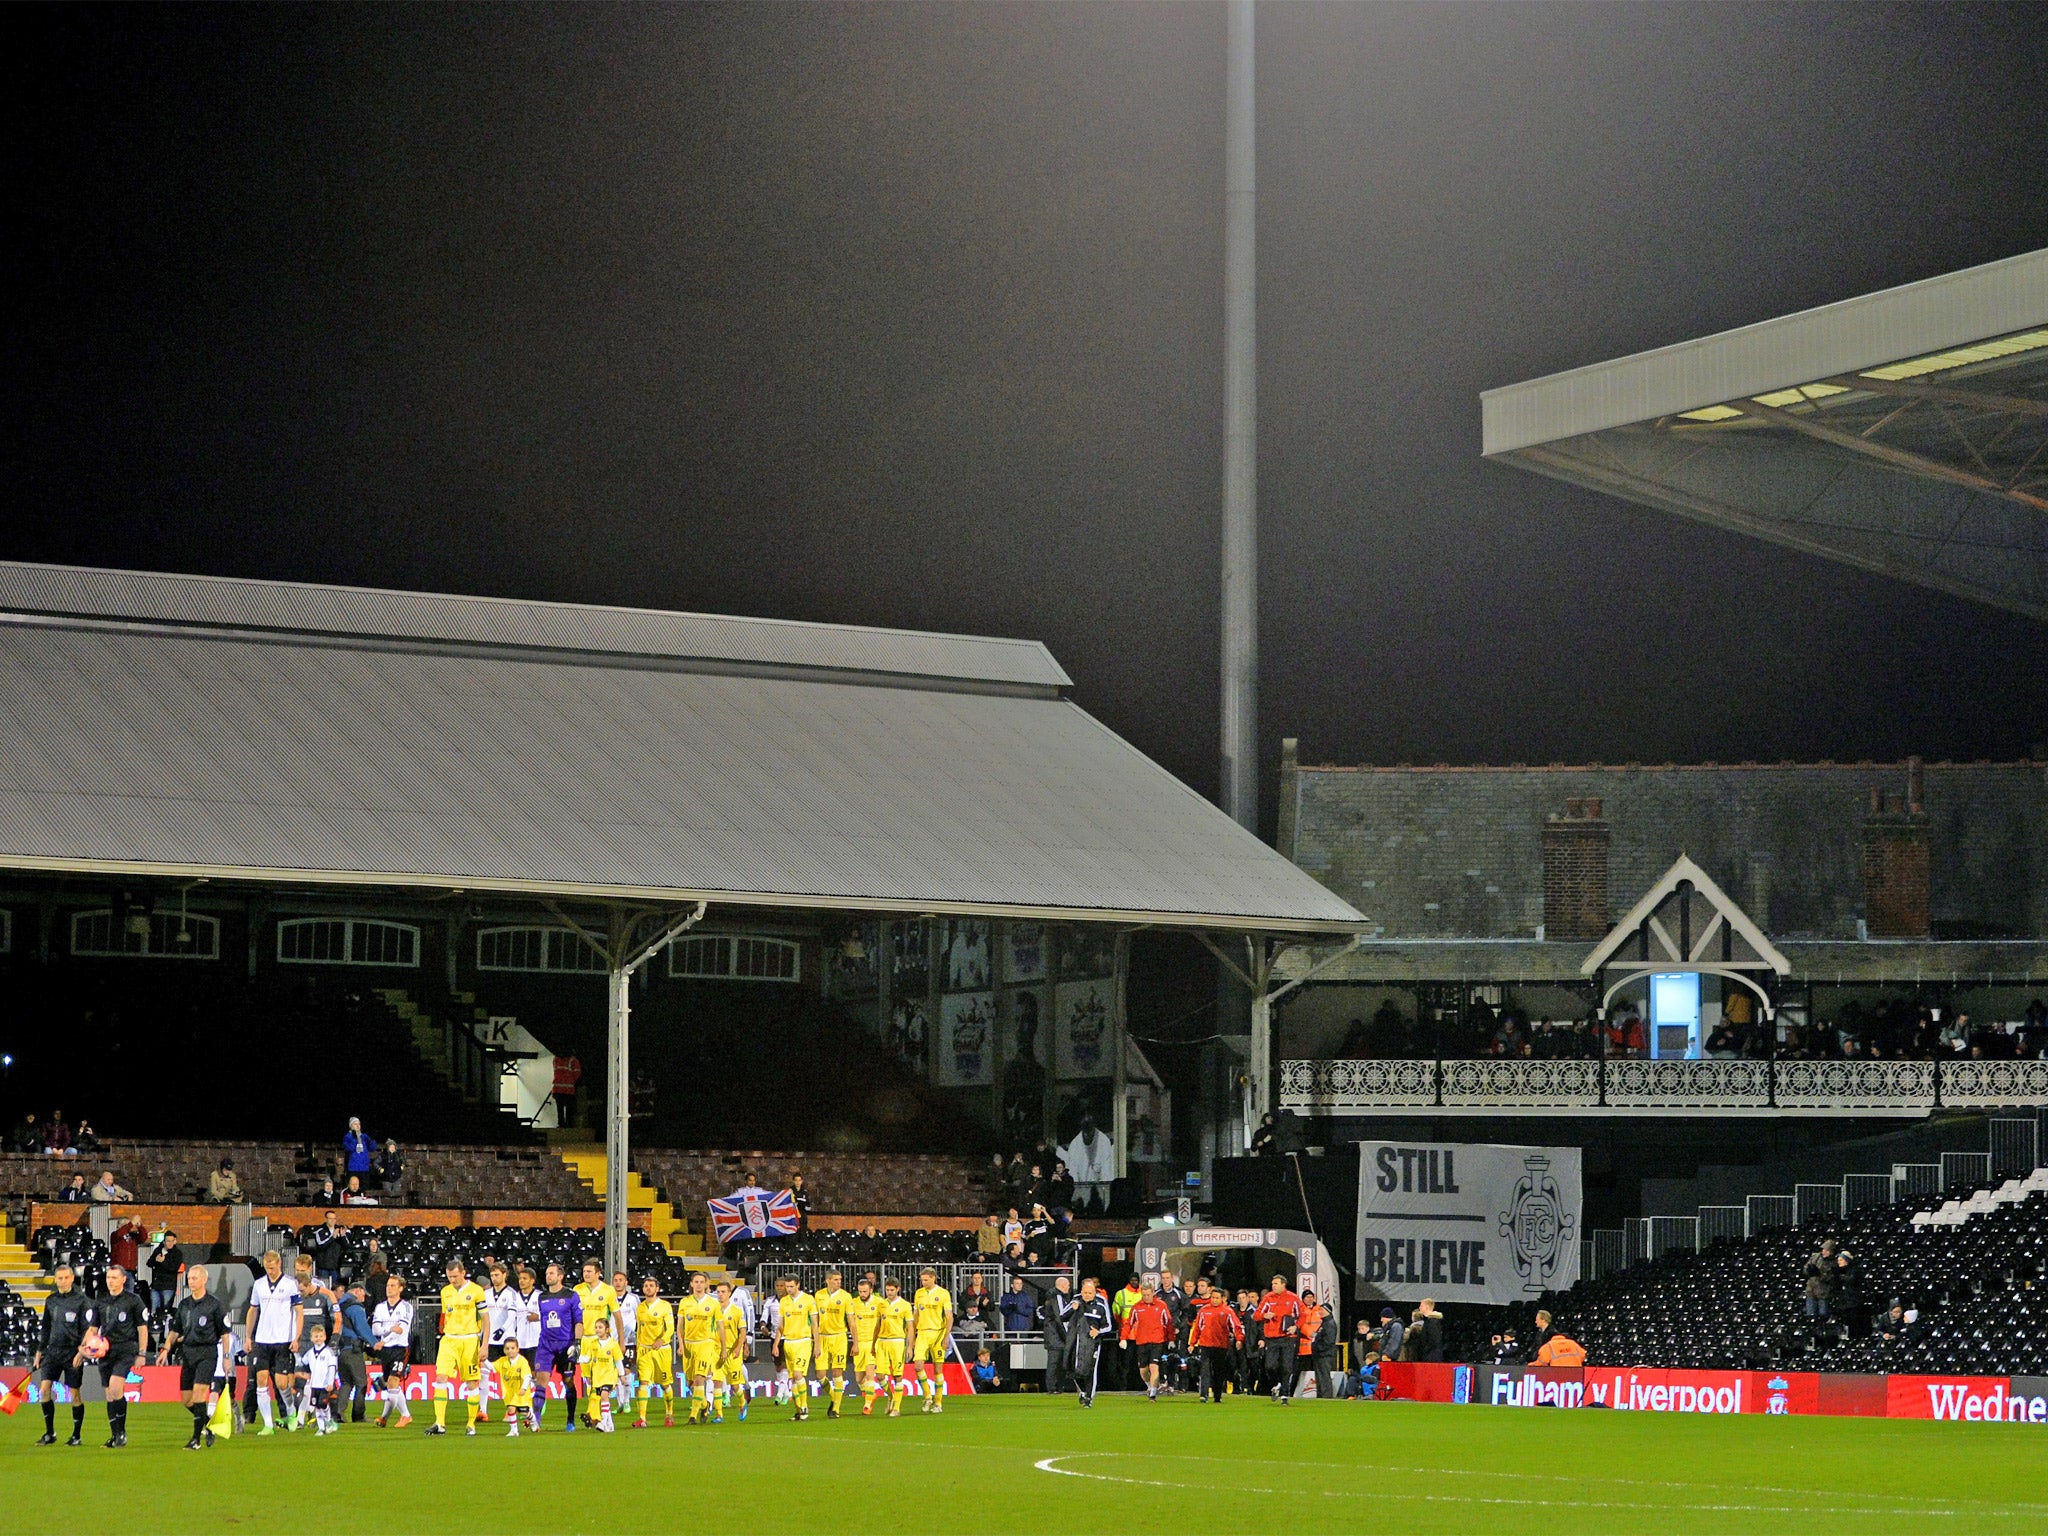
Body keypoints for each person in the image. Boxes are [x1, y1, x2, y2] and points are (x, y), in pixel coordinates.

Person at [159, 1263, 230, 1449]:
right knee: (186, 1400)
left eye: (194, 1278)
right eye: (189, 1278)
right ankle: (207, 1423)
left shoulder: (214, 1305)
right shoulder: (184, 1305)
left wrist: (227, 1356)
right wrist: (165, 1349)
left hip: (207, 1353)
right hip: (188, 1353)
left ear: (204, 1280)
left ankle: (196, 1439)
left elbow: (225, 1332)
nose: (191, 1281)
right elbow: (175, 1331)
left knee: (199, 1395)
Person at [85, 1263, 148, 1447]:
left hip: (125, 1349)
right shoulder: (101, 1301)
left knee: (115, 1387)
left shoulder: (133, 1300)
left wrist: (142, 1353)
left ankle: (121, 1433)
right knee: (110, 1395)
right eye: (108, 1278)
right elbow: (93, 1328)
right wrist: (86, 1347)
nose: (110, 1281)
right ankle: (115, 1435)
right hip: (105, 1351)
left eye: (114, 1278)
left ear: (123, 1279)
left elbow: (142, 1329)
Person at [245, 1249, 303, 1436]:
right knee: (261, 1380)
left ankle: (291, 1412)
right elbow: (253, 1310)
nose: (270, 1271)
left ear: (279, 1264)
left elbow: (299, 1312)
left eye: (272, 1267)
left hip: (282, 1340)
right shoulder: (258, 1285)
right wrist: (248, 1337)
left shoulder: (290, 1284)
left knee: (281, 1383)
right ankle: (268, 1425)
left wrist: (296, 1337)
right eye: (267, 1268)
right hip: (262, 1340)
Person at [31, 1264, 90, 1446]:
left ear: (72, 1278)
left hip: (72, 1353)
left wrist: (82, 1351)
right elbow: (46, 1328)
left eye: (66, 1278)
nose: (63, 1281)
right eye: (59, 1278)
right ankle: (50, 1433)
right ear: (55, 1280)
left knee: (74, 1394)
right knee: (44, 1390)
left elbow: (88, 1329)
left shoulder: (82, 1301)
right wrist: (40, 1351)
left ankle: (76, 1435)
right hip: (52, 1352)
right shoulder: (51, 1301)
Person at [429, 1258, 487, 1436]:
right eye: (449, 1277)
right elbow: (446, 1316)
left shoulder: (476, 1291)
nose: (452, 1280)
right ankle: (439, 1423)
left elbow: (486, 1319)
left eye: (455, 1276)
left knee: (471, 1382)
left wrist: (484, 1345)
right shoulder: (445, 1291)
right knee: (440, 1378)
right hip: (449, 1339)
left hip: (469, 1340)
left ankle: (471, 1424)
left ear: (463, 1273)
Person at [530, 1263, 581, 1431]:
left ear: (560, 1276)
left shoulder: (571, 1296)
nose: (548, 1276)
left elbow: (578, 1322)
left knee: (568, 1381)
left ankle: (570, 1420)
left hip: (565, 1345)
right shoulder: (541, 1297)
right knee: (541, 1380)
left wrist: (577, 1343)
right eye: (546, 1273)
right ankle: (536, 1421)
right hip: (545, 1344)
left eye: (551, 1273)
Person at [289, 1253, 336, 1431]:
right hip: (301, 1342)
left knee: (317, 1384)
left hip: (317, 1342)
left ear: (310, 1270)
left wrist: (331, 1340)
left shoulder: (321, 1288)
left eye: (303, 1270)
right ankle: (302, 1417)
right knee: (301, 1382)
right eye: (297, 1270)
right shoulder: (292, 1287)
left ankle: (321, 1417)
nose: (299, 1273)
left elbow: (331, 1313)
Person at [631, 1274, 677, 1428]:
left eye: (651, 1286)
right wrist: (638, 1347)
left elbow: (670, 1327)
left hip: (661, 1351)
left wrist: (662, 1340)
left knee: (665, 1384)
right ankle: (642, 1418)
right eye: (646, 1286)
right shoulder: (640, 1307)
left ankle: (669, 1414)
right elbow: (639, 1330)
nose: (648, 1288)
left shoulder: (665, 1306)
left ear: (657, 1289)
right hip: (645, 1350)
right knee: (643, 1383)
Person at [371, 1274, 417, 1428]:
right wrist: (389, 1329)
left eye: (392, 1286)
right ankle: (400, 1416)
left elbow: (401, 1329)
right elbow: (376, 1329)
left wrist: (384, 1339)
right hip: (385, 1351)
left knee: (393, 1382)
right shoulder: (380, 1307)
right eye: (388, 1285)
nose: (388, 1288)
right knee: (392, 1386)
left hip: (399, 1349)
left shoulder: (406, 1307)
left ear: (400, 1288)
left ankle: (393, 1417)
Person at [1252, 1273, 1302, 1404]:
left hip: (1287, 1337)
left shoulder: (1293, 1298)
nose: (1273, 1286)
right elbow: (1256, 1315)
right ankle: (1277, 1384)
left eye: (1275, 1283)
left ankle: (1285, 1395)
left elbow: (1302, 1315)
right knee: (1270, 1366)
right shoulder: (1268, 1298)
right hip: (1272, 1338)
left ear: (1283, 1285)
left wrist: (1295, 1327)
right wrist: (1265, 1315)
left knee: (1286, 1366)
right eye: (1272, 1283)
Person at [676, 1273, 718, 1425]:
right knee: (691, 1383)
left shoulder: (713, 1303)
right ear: (692, 1284)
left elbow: (719, 1327)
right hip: (688, 1344)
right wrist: (681, 1345)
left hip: (705, 1344)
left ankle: (692, 1416)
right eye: (696, 1282)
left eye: (701, 1282)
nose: (699, 1284)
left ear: (706, 1284)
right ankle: (705, 1405)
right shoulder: (684, 1302)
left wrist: (722, 1348)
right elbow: (680, 1327)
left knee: (700, 1378)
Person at [811, 1269, 853, 1419]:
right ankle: (835, 1397)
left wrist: (855, 1342)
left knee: (837, 1372)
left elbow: (851, 1322)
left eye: (840, 1279)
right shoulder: (818, 1295)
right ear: (827, 1280)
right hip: (822, 1338)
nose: (838, 1282)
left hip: (839, 1337)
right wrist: (815, 1342)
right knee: (820, 1375)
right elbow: (814, 1321)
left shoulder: (846, 1297)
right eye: (835, 1279)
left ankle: (836, 1408)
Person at [1190, 1280, 1242, 1402]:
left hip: (1221, 1346)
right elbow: (1197, 1327)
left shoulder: (1227, 1311)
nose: (1214, 1300)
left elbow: (1236, 1326)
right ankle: (1204, 1394)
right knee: (1204, 1370)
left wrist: (1239, 1339)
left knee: (1219, 1371)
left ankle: (1217, 1395)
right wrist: (1192, 1343)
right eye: (1212, 1297)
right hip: (1205, 1344)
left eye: (1217, 1298)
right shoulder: (1203, 1310)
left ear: (1223, 1298)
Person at [911, 1266, 953, 1414]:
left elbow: (949, 1317)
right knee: (918, 1366)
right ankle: (928, 1396)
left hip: (938, 1334)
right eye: (922, 1280)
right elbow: (915, 1315)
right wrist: (913, 1335)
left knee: (937, 1368)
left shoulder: (943, 1294)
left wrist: (946, 1336)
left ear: (933, 1278)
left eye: (926, 1280)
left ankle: (938, 1402)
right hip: (922, 1333)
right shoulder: (919, 1294)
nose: (923, 1282)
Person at [775, 1274, 817, 1421]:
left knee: (798, 1374)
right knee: (793, 1378)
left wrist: (817, 1344)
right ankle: (798, 1410)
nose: (789, 1289)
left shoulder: (808, 1300)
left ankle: (804, 1405)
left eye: (791, 1286)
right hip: (789, 1342)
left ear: (798, 1285)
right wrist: (776, 1343)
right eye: (787, 1286)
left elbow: (815, 1324)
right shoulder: (784, 1302)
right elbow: (780, 1326)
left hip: (804, 1341)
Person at [1069, 1276, 1115, 1407]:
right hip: (1076, 1340)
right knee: (1072, 1368)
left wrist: (1098, 1331)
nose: (1087, 1294)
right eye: (1085, 1291)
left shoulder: (1101, 1302)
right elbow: (1064, 1316)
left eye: (1090, 1292)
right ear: (1082, 1290)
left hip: (1092, 1342)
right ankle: (1083, 1392)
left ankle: (1089, 1397)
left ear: (1095, 1291)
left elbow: (1108, 1325)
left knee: (1090, 1369)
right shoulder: (1076, 1300)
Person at [335, 1278, 375, 1424]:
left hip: (340, 1349)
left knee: (346, 1382)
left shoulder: (339, 1305)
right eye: (363, 1294)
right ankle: (358, 1415)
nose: (364, 1298)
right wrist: (374, 1343)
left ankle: (338, 1412)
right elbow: (362, 1328)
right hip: (353, 1349)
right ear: (357, 1291)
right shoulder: (355, 1307)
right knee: (361, 1383)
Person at [874, 1277, 914, 1418]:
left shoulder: (905, 1305)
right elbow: (877, 1325)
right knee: (880, 1376)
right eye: (887, 1290)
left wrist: (910, 1347)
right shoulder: (881, 1305)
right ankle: (891, 1397)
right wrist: (874, 1343)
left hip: (897, 1342)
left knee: (897, 1375)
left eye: (892, 1290)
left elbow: (910, 1327)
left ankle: (896, 1408)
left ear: (898, 1289)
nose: (889, 1292)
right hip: (882, 1341)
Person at [849, 1274, 884, 1417]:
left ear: (871, 1290)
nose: (862, 1294)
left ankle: (867, 1405)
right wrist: (855, 1344)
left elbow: (883, 1323)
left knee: (870, 1374)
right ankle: (872, 1394)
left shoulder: (879, 1302)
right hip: (859, 1343)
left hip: (873, 1343)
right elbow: (852, 1325)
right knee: (859, 1379)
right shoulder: (853, 1303)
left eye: (865, 1291)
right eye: (860, 1291)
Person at [716, 1280, 751, 1422]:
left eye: (723, 1292)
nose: (720, 1295)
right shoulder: (714, 1309)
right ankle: (719, 1415)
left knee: (735, 1385)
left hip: (733, 1352)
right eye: (718, 1292)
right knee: (717, 1382)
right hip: (717, 1351)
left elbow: (742, 1331)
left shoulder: (737, 1311)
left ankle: (742, 1402)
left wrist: (739, 1348)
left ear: (729, 1293)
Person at [580, 1317, 621, 1432]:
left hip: (609, 1376)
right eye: (596, 1327)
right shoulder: (593, 1344)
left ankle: (603, 1422)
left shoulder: (613, 1344)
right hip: (598, 1377)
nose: (597, 1330)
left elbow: (618, 1361)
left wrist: (621, 1375)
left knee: (604, 1395)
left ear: (607, 1329)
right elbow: (587, 1358)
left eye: (600, 1327)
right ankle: (610, 1424)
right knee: (604, 1399)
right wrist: (576, 1358)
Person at [490, 1336, 534, 1438]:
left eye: (513, 1348)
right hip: (509, 1392)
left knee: (524, 1412)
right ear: (504, 1350)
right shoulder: (503, 1361)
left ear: (518, 1349)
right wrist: (483, 1360)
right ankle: (514, 1430)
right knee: (511, 1408)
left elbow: (527, 1376)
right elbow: (492, 1367)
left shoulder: (522, 1361)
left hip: (521, 1392)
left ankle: (532, 1420)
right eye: (507, 1348)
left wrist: (523, 1388)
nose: (510, 1351)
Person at [301, 1324, 341, 1435]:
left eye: (320, 1336)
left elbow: (332, 1368)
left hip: (324, 1385)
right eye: (315, 1336)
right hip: (314, 1384)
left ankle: (329, 1422)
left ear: (324, 1337)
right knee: (317, 1406)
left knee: (323, 1405)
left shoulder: (328, 1352)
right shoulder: (310, 1353)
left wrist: (330, 1383)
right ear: (311, 1338)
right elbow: (303, 1362)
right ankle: (322, 1428)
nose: (318, 1338)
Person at [1296, 1286, 1331, 1400]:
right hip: (1304, 1348)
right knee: (1302, 1371)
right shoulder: (1300, 1310)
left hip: (1317, 1347)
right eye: (1307, 1297)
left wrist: (1316, 1336)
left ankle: (1319, 1393)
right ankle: (1298, 1392)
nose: (1309, 1299)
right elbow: (1300, 1325)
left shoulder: (1319, 1309)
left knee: (1319, 1372)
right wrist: (1310, 1333)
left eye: (1311, 1297)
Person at [147, 1230, 186, 1316]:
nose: (170, 1243)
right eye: (168, 1241)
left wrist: (163, 1261)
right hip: (156, 1285)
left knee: (165, 1310)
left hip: (168, 1286)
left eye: (172, 1241)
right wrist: (156, 1260)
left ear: (175, 1241)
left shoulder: (177, 1254)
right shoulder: (158, 1250)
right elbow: (149, 1263)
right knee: (154, 1310)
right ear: (164, 1241)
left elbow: (173, 1268)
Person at [1805, 1239, 1838, 1320]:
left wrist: (1819, 1274)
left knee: (1823, 1315)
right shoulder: (1815, 1257)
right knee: (1810, 1315)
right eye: (1824, 1249)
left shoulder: (1834, 1263)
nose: (1824, 1251)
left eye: (1827, 1250)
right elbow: (1806, 1268)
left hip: (1824, 1293)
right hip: (1811, 1291)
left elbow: (1831, 1277)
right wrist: (1809, 1271)